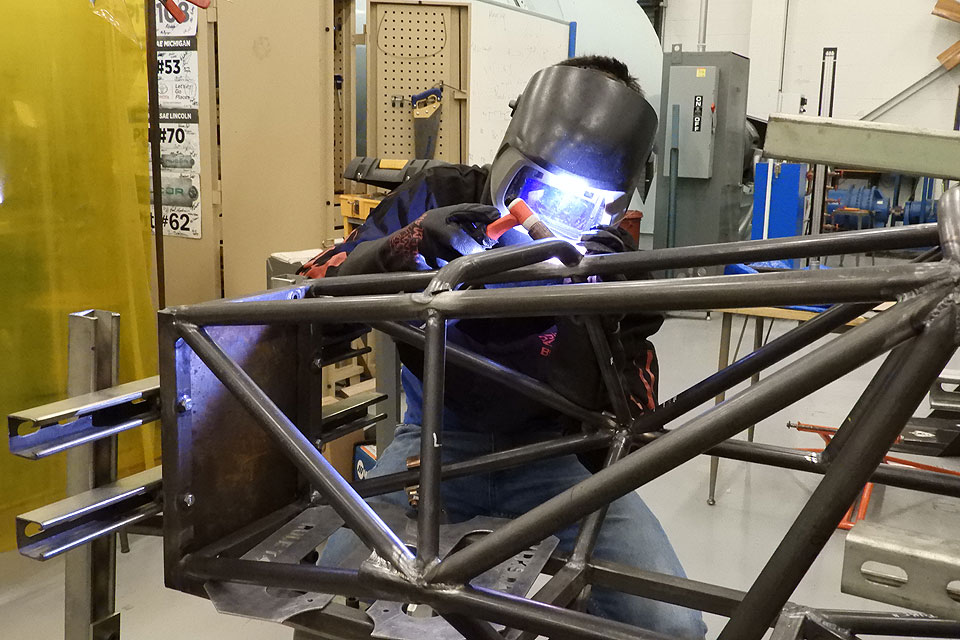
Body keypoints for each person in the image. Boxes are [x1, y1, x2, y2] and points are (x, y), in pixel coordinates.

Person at [301, 55, 707, 639]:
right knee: (328, 607)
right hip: (432, 451)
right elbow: (317, 310)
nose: (552, 217)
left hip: (557, 464)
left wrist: (611, 303)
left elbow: (634, 409)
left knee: (671, 628)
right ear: (512, 152)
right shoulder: (437, 197)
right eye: (541, 189)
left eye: (582, 203)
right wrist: (402, 249)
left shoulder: (609, 251)